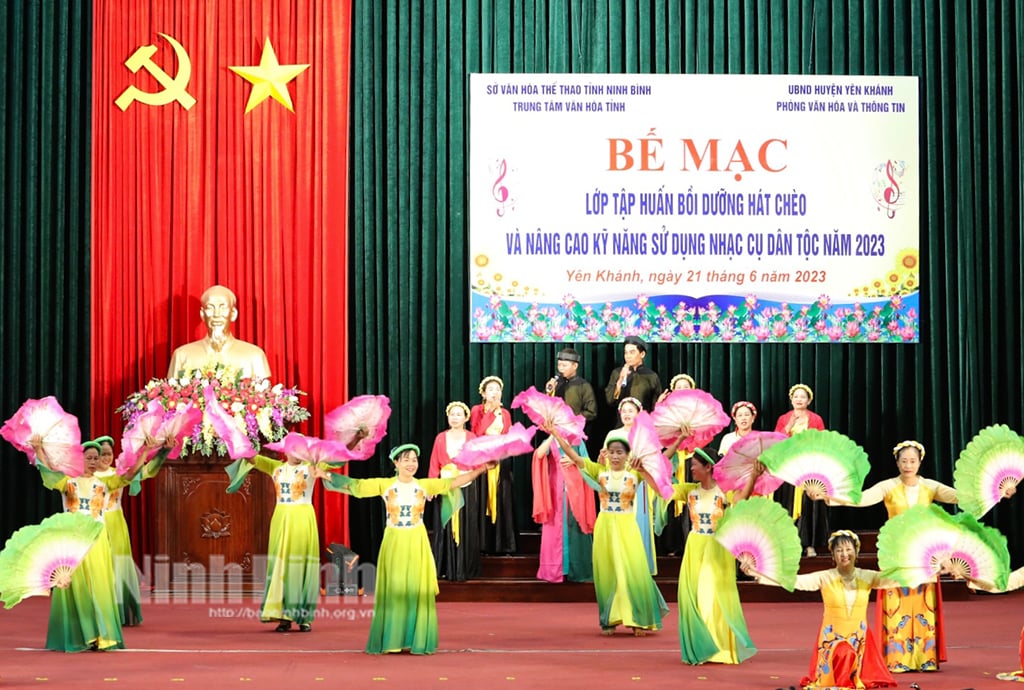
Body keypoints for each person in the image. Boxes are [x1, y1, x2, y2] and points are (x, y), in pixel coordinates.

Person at [325, 444, 492, 654]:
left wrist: (481, 469)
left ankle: (417, 639)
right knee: (395, 590)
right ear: (396, 463)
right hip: (394, 542)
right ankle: (392, 639)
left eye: (414, 459)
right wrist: (324, 474)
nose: (411, 463)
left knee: (416, 589)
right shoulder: (385, 485)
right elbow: (355, 486)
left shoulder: (423, 486)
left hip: (417, 541)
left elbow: (453, 482)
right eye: (406, 459)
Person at [824, 440, 957, 672]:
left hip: (925, 553)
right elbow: (862, 498)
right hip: (896, 552)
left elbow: (959, 497)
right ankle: (897, 659)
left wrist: (994, 493)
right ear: (897, 462)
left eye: (912, 461)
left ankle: (924, 658)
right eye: (904, 461)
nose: (908, 465)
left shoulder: (930, 487)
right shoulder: (888, 486)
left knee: (923, 602)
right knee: (898, 602)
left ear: (920, 462)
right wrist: (830, 496)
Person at [32, 436, 165, 652]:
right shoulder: (67, 482)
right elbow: (47, 472)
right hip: (73, 542)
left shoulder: (105, 482)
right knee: (75, 587)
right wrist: (38, 449)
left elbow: (130, 475)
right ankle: (78, 636)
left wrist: (144, 452)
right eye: (89, 458)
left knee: (100, 587)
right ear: (79, 459)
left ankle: (101, 634)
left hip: (97, 540)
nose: (93, 462)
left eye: (96, 458)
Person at [549, 427, 668, 636]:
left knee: (631, 570)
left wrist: (681, 439)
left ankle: (638, 620)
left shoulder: (634, 474)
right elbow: (572, 454)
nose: (615, 456)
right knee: (607, 573)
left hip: (626, 526)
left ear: (627, 455)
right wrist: (555, 434)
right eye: (611, 451)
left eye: (620, 452)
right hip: (604, 526)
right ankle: (609, 619)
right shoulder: (599, 472)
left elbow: (664, 458)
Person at [744, 530, 898, 689]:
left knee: (850, 657)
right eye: (839, 550)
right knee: (843, 652)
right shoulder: (825, 577)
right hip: (832, 641)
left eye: (848, 549)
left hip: (858, 640)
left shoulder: (867, 577)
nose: (844, 554)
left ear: (856, 552)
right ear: (833, 555)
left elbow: (894, 580)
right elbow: (793, 581)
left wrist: (923, 573)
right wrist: (756, 572)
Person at [225, 445, 345, 632]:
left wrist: (355, 440)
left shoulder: (312, 467)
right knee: (281, 565)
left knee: (302, 565)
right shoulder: (275, 467)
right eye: (292, 449)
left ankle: (304, 617)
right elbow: (250, 458)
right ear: (285, 452)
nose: (296, 454)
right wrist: (232, 436)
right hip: (281, 518)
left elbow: (338, 458)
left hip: (303, 518)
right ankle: (283, 617)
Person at [673, 449, 757, 665]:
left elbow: (742, 498)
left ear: (708, 467)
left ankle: (718, 648)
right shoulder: (689, 491)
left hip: (718, 547)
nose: (691, 468)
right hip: (695, 546)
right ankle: (702, 647)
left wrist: (754, 476)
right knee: (695, 597)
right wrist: (644, 469)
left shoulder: (723, 492)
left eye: (694, 465)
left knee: (712, 595)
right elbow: (662, 488)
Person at [535, 347, 598, 583]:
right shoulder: (555, 384)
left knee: (575, 508)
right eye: (559, 362)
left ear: (575, 365)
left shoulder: (583, 386)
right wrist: (548, 393)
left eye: (565, 363)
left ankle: (579, 566)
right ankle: (555, 566)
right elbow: (545, 411)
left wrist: (572, 421)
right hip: (555, 438)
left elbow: (592, 412)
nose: (561, 365)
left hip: (576, 438)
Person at [93, 434, 165, 627]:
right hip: (95, 523)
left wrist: (162, 451)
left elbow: (148, 471)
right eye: (102, 454)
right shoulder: (88, 477)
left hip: (116, 523)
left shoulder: (120, 473)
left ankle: (119, 611)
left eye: (109, 454)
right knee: (100, 567)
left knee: (118, 566)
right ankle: (99, 610)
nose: (106, 458)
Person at [167, 284, 271, 379]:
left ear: (233, 313)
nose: (217, 315)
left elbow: (264, 396)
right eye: (210, 308)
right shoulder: (182, 355)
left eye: (223, 308)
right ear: (203, 315)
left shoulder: (255, 356)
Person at [602, 397, 656, 575]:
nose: (626, 414)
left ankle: (637, 566)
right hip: (615, 484)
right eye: (623, 411)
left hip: (636, 482)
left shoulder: (645, 434)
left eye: (630, 411)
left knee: (636, 520)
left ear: (638, 413)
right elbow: (605, 462)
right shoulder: (612, 434)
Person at [428, 401, 481, 581]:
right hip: (445, 486)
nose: (455, 417)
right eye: (452, 414)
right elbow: (434, 464)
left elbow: (478, 463)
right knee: (445, 526)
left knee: (466, 526)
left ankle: (463, 568)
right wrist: (431, 486)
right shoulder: (440, 438)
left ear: (466, 417)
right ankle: (444, 567)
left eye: (459, 414)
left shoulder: (472, 437)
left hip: (466, 486)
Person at [774, 383, 827, 557]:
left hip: (809, 470)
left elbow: (822, 443)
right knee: (788, 506)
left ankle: (809, 544)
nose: (799, 399)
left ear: (809, 400)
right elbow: (776, 442)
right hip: (789, 470)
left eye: (802, 396)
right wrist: (788, 426)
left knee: (809, 506)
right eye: (796, 396)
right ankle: (790, 545)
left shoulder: (816, 419)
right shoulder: (784, 418)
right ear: (791, 399)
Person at [469, 375, 516, 554]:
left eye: (498, 389)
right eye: (491, 390)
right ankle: (482, 544)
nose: (495, 393)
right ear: (483, 393)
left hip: (500, 460)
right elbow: (476, 432)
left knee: (502, 499)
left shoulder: (505, 413)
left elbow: (509, 437)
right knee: (482, 500)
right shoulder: (477, 410)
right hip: (482, 459)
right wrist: (490, 413)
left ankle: (504, 544)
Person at [655, 373, 698, 556]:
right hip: (672, 457)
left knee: (690, 499)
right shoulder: (666, 411)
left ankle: (688, 541)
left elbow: (705, 435)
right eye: (678, 387)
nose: (681, 390)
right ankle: (671, 544)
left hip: (691, 458)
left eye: (685, 387)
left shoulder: (699, 411)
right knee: (670, 500)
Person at [604, 335, 662, 422]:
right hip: (622, 424)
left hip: (643, 425)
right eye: (626, 353)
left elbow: (655, 406)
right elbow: (610, 401)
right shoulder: (617, 373)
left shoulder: (651, 376)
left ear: (642, 354)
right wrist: (620, 380)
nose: (628, 356)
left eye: (632, 352)